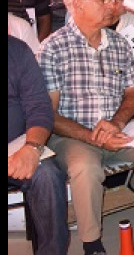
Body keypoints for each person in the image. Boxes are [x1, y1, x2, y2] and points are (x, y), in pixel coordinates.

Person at [38, 0, 134, 255]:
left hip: (117, 130)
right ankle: (93, 245)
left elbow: (132, 92)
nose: (112, 3)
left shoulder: (118, 43)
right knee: (85, 168)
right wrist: (94, 136)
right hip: (72, 136)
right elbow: (48, 114)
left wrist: (116, 123)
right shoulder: (51, 48)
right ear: (76, 5)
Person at [8, 35, 69, 255]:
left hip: (16, 146)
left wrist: (32, 147)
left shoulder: (17, 51)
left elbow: (39, 108)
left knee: (47, 175)